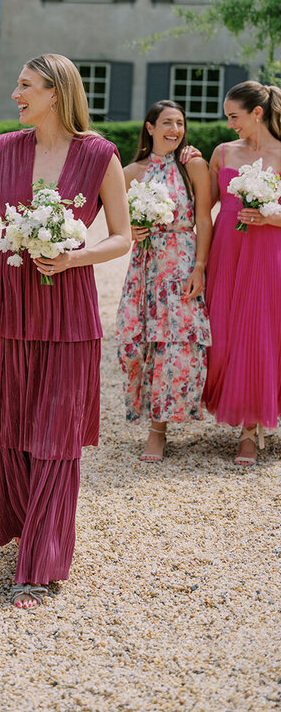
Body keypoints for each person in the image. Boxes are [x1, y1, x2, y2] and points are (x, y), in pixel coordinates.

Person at [0, 54, 130, 609]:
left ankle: (40, 564)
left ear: (56, 91)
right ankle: (27, 527)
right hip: (11, 303)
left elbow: (122, 237)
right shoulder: (6, 148)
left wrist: (74, 258)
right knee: (11, 428)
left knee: (56, 435)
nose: (15, 94)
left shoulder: (100, 155)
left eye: (25, 85)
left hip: (69, 307)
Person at [115, 101, 212, 461]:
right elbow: (114, 222)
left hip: (182, 262)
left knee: (175, 344)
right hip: (144, 266)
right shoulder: (129, 172)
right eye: (168, 122)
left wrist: (200, 267)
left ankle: (159, 430)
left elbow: (205, 219)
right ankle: (150, 417)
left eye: (181, 123)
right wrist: (131, 230)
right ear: (150, 127)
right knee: (134, 339)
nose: (175, 129)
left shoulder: (194, 165)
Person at [203, 80, 281, 466]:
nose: (229, 123)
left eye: (234, 116)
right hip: (226, 255)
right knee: (221, 335)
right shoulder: (221, 153)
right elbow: (200, 210)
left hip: (269, 256)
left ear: (257, 113)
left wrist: (272, 216)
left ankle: (250, 431)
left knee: (259, 335)